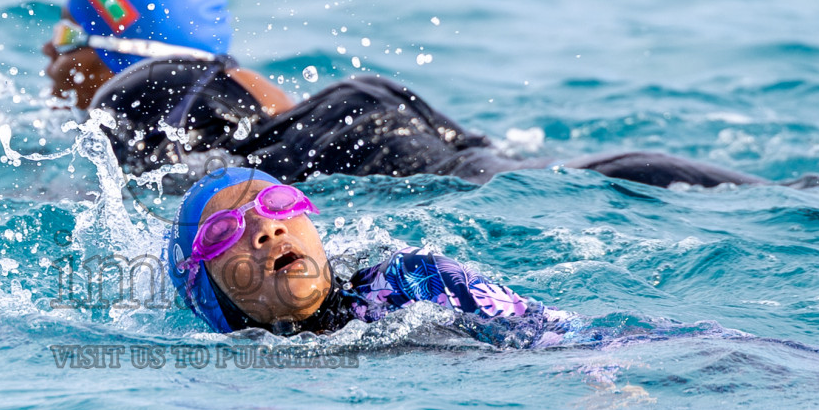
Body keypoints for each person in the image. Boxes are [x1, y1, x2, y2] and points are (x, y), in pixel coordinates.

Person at [45, 0, 768, 192]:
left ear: (121, 48)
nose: (51, 56)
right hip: (365, 114)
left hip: (349, 131)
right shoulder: (232, 85)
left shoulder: (143, 94)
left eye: (68, 35)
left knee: (522, 181)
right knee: (550, 175)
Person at [165, 167, 576, 345]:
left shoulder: (411, 281)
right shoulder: (229, 376)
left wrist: (601, 382)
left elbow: (568, 337)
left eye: (275, 202)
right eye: (222, 231)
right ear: (207, 292)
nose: (267, 229)